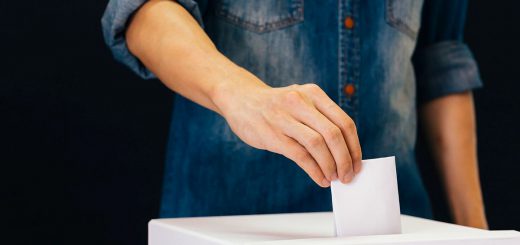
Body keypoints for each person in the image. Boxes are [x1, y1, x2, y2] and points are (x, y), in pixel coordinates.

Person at [102, 0, 488, 228]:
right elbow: (143, 12)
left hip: (391, 226)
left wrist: (477, 231)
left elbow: (441, 57)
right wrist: (240, 92)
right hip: (230, 220)